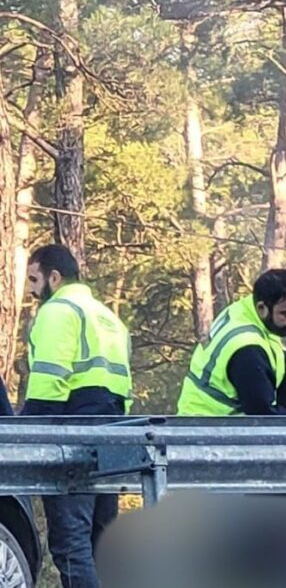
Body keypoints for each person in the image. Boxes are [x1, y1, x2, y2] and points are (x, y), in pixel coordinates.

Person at [22, 244, 133, 588]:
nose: (30, 290)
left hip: (73, 434)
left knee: (72, 544)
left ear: (54, 277)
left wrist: (21, 435)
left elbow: (48, 384)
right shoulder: (108, 318)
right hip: (113, 433)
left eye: (34, 279)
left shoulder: (57, 311)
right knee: (102, 543)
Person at [177, 269, 286, 416]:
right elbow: (263, 415)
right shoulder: (247, 350)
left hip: (197, 418)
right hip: (215, 424)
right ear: (262, 308)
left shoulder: (243, 310)